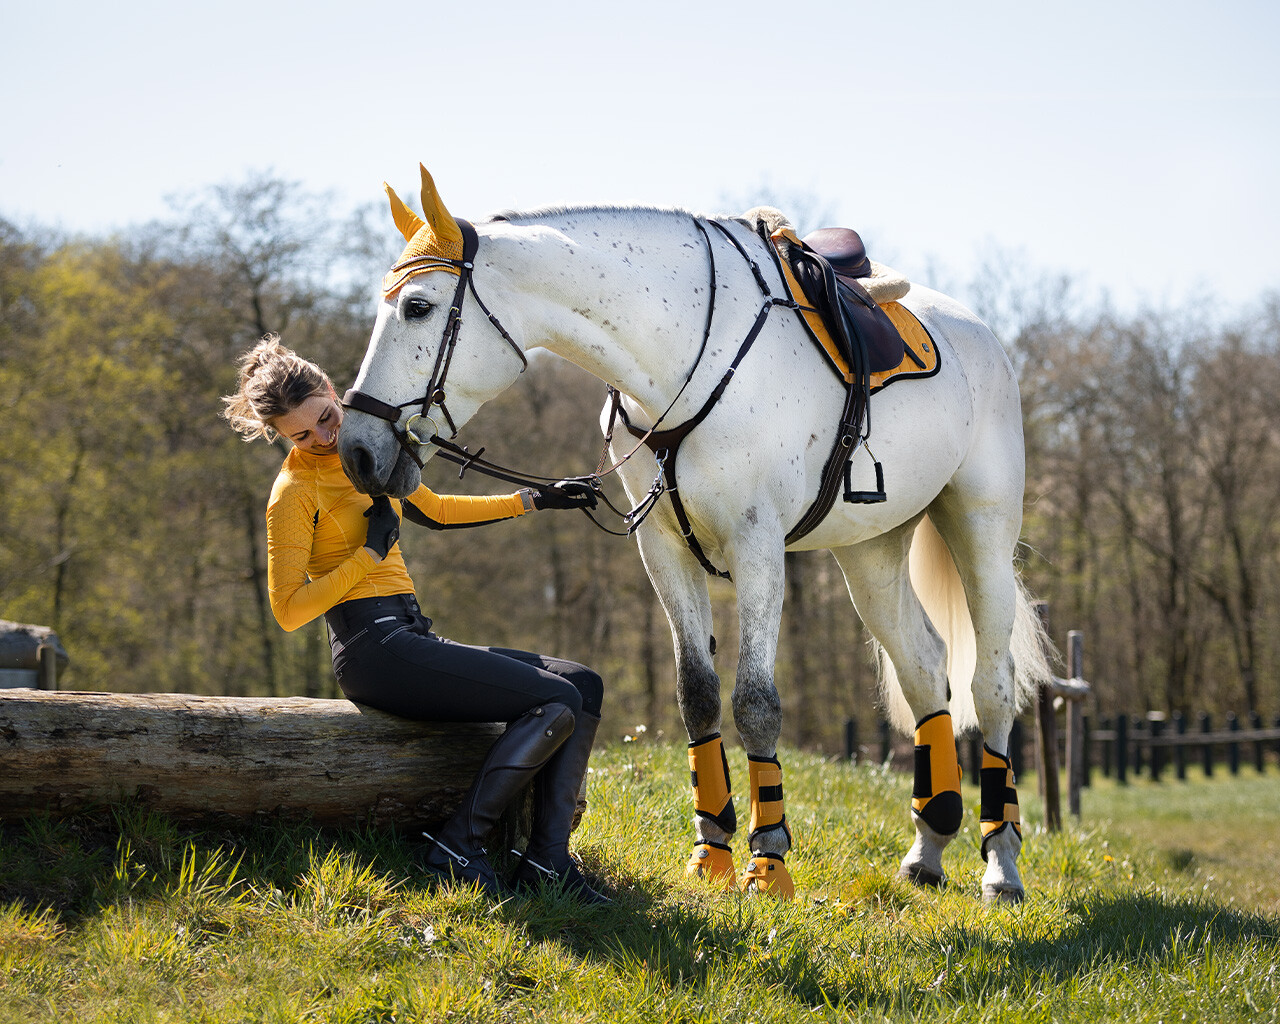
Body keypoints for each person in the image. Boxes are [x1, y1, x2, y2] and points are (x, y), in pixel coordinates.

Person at [223, 335, 608, 903]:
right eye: (303, 435)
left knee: (582, 684)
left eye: (328, 419)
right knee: (555, 700)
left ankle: (547, 860)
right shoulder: (293, 492)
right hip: (372, 650)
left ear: (335, 391)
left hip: (409, 633)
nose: (324, 438)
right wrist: (369, 557)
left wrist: (536, 498)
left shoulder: (367, 457)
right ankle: (457, 846)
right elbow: (288, 610)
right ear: (280, 436)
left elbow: (438, 510)